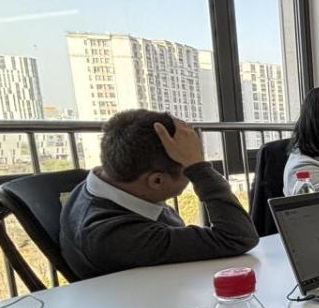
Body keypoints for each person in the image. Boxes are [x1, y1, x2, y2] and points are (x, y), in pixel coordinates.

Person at [60, 110, 260, 279]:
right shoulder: (114, 236)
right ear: (156, 181)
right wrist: (199, 169)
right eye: (189, 171)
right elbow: (238, 237)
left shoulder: (105, 185)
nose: (192, 176)